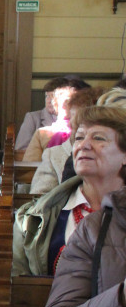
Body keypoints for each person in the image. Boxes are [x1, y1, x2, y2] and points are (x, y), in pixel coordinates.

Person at [14, 103, 126, 277]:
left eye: (98, 138)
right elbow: (19, 291)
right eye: (79, 138)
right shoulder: (33, 218)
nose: (84, 145)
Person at [30, 87, 102, 194]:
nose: (70, 123)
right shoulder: (54, 155)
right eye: (70, 117)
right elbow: (40, 200)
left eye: (77, 118)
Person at [22, 77, 89, 159]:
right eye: (47, 96)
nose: (49, 101)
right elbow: (29, 165)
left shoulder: (89, 131)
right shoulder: (41, 132)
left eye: (72, 102)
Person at [16, 77, 64, 151]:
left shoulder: (74, 118)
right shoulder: (33, 118)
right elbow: (20, 150)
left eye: (53, 96)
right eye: (47, 96)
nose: (49, 101)